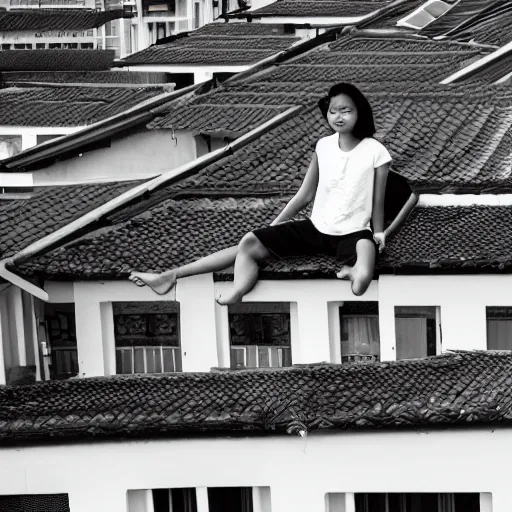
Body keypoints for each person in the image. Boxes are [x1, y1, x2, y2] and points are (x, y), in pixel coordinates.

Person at [130, 82, 416, 303]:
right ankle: (230, 288)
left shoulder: (375, 151)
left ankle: (354, 272)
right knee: (249, 243)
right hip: (317, 228)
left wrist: (379, 233)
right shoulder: (323, 146)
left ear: (359, 113)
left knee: (363, 278)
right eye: (333, 110)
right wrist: (274, 226)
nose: (338, 117)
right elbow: (304, 196)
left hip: (356, 232)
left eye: (346, 110)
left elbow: (378, 200)